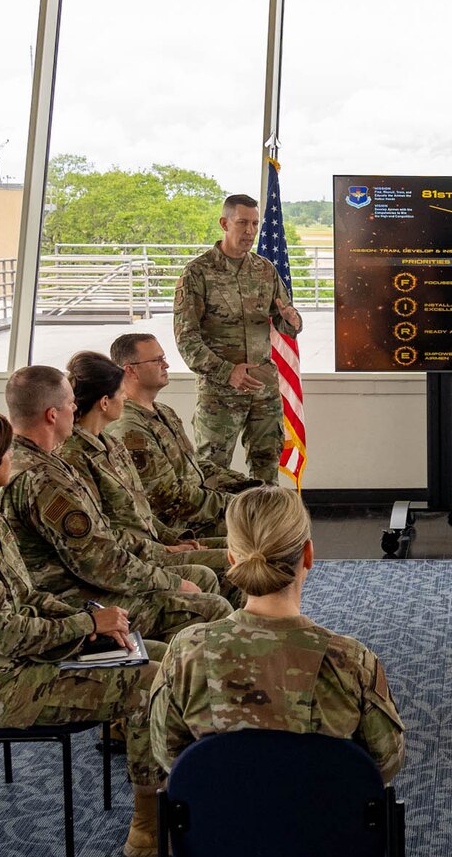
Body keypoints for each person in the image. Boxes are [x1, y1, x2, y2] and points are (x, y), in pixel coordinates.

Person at [0, 407, 165, 857]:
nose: (14, 456)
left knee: (163, 654)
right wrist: (86, 627)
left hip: (17, 663)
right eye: (7, 451)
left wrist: (95, 619)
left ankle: (171, 789)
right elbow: (8, 635)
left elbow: (29, 596)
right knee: (150, 684)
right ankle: (148, 827)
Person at [148, 485, 405, 857]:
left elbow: (167, 753)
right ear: (308, 555)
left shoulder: (185, 652)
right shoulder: (349, 659)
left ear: (230, 559)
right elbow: (385, 763)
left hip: (218, 835)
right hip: (329, 837)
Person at [0, 366, 231, 642]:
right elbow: (99, 562)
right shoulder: (43, 479)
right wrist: (172, 582)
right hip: (69, 598)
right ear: (52, 415)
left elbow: (104, 532)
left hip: (81, 581)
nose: (76, 409)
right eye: (70, 404)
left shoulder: (29, 460)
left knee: (201, 583)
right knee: (209, 607)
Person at [60, 350, 235, 596]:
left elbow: (139, 508)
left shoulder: (111, 445)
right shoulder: (74, 457)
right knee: (234, 563)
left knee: (244, 551)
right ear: (104, 402)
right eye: (121, 393)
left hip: (149, 545)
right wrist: (163, 550)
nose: (125, 398)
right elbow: (102, 535)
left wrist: (174, 540)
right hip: (126, 560)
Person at [172, 194, 303, 485]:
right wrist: (227, 372)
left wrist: (292, 321)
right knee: (212, 471)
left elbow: (284, 318)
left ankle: (266, 527)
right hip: (220, 392)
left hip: (263, 387)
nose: (250, 231)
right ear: (224, 223)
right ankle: (221, 530)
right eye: (242, 222)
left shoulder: (264, 270)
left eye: (255, 223)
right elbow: (187, 340)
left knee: (267, 465)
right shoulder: (197, 273)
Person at [111, 330, 255, 539]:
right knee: (265, 526)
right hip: (176, 527)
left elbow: (195, 466)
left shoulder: (163, 411)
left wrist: (247, 486)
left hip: (198, 510)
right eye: (157, 360)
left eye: (164, 358)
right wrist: (233, 504)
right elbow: (168, 498)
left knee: (268, 507)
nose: (166, 365)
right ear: (131, 371)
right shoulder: (129, 427)